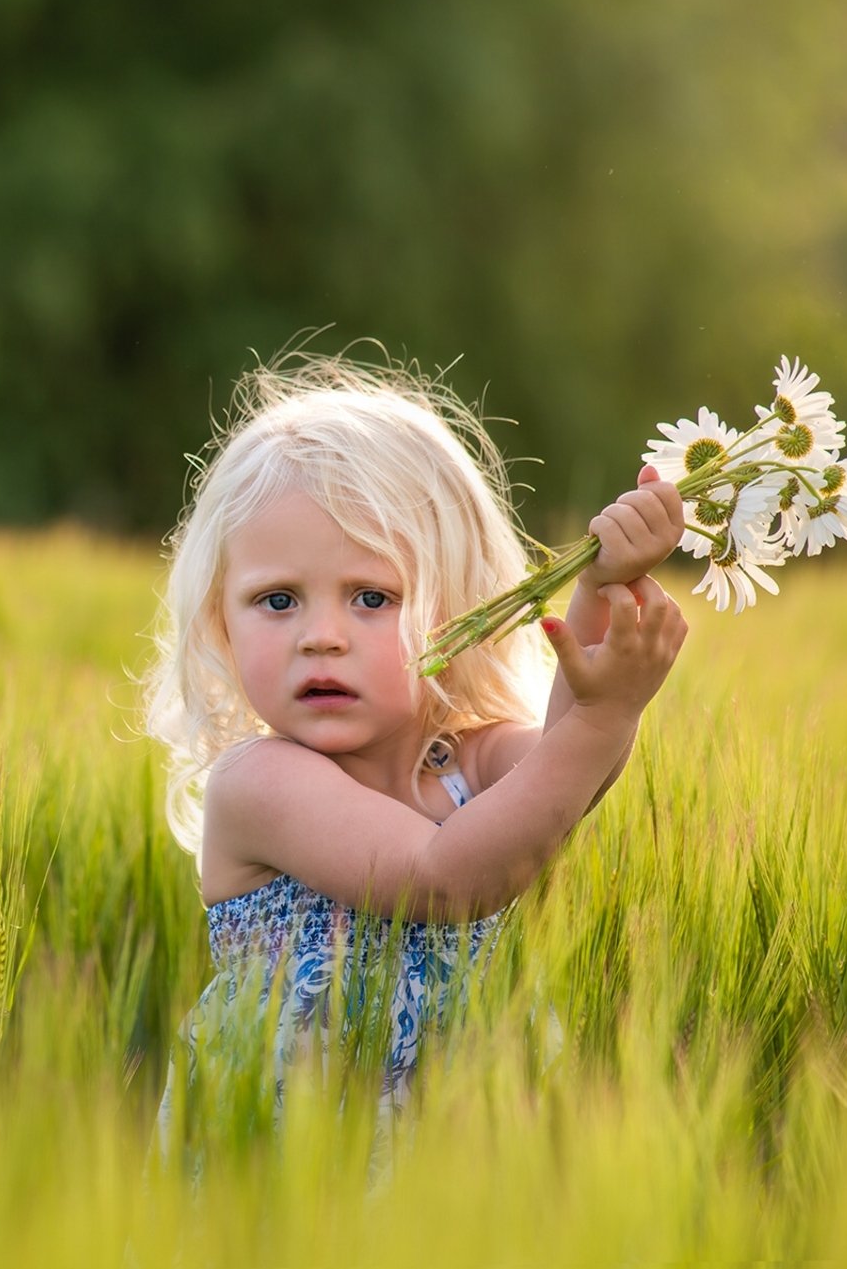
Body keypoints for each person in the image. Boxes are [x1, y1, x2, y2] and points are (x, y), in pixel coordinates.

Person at [144, 347, 687, 1165]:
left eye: (372, 597)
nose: (320, 634)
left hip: (453, 1137)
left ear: (458, 609)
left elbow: (573, 772)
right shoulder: (261, 783)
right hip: (289, 1153)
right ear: (221, 621)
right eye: (276, 600)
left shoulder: (474, 760)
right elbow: (442, 878)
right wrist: (605, 714)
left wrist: (602, 588)